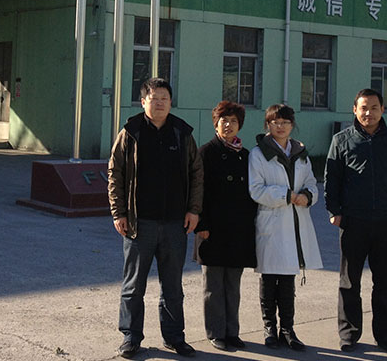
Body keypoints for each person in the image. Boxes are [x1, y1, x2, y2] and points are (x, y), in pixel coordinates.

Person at [108, 77, 203, 359]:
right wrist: (118, 212)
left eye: (164, 98)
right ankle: (131, 336)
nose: (159, 102)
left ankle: (174, 337)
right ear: (143, 102)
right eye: (154, 98)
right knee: (133, 285)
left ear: (171, 102)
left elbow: (197, 172)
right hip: (140, 224)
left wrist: (194, 210)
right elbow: (115, 173)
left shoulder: (181, 133)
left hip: (175, 223)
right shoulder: (131, 132)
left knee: (173, 286)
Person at [324, 88, 387, 355]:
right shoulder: (342, 140)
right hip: (353, 222)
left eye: (374, 108)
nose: (369, 113)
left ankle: (386, 338)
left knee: (384, 284)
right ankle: (349, 335)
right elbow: (332, 178)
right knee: (349, 282)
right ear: (355, 110)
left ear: (382, 110)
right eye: (363, 108)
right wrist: (334, 210)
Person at [248, 104, 322, 352]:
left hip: (294, 222)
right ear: (267, 125)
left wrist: (308, 196)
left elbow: (311, 182)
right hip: (272, 221)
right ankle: (269, 328)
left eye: (285, 122)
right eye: (275, 122)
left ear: (292, 125)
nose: (280, 126)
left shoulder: (301, 153)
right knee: (269, 278)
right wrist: (286, 195)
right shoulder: (258, 154)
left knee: (288, 280)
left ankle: (288, 329)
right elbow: (256, 189)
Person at [194, 101, 257, 352]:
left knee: (233, 285)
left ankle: (232, 332)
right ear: (216, 123)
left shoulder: (246, 155)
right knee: (213, 285)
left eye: (233, 121)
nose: (228, 125)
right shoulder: (206, 152)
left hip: (238, 230)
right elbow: (197, 191)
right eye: (224, 120)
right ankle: (216, 332)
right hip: (211, 229)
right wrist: (201, 223)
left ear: (240, 125)